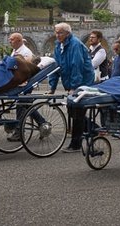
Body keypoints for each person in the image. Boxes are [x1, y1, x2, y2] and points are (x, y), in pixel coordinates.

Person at [48, 23, 94, 152]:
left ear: (67, 33)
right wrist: (52, 86)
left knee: (78, 111)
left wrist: (74, 87)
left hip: (82, 82)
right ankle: (93, 129)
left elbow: (77, 66)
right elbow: (56, 66)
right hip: (71, 82)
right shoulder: (59, 46)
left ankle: (76, 144)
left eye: (60, 32)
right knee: (72, 110)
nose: (57, 35)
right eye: (56, 32)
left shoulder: (75, 44)